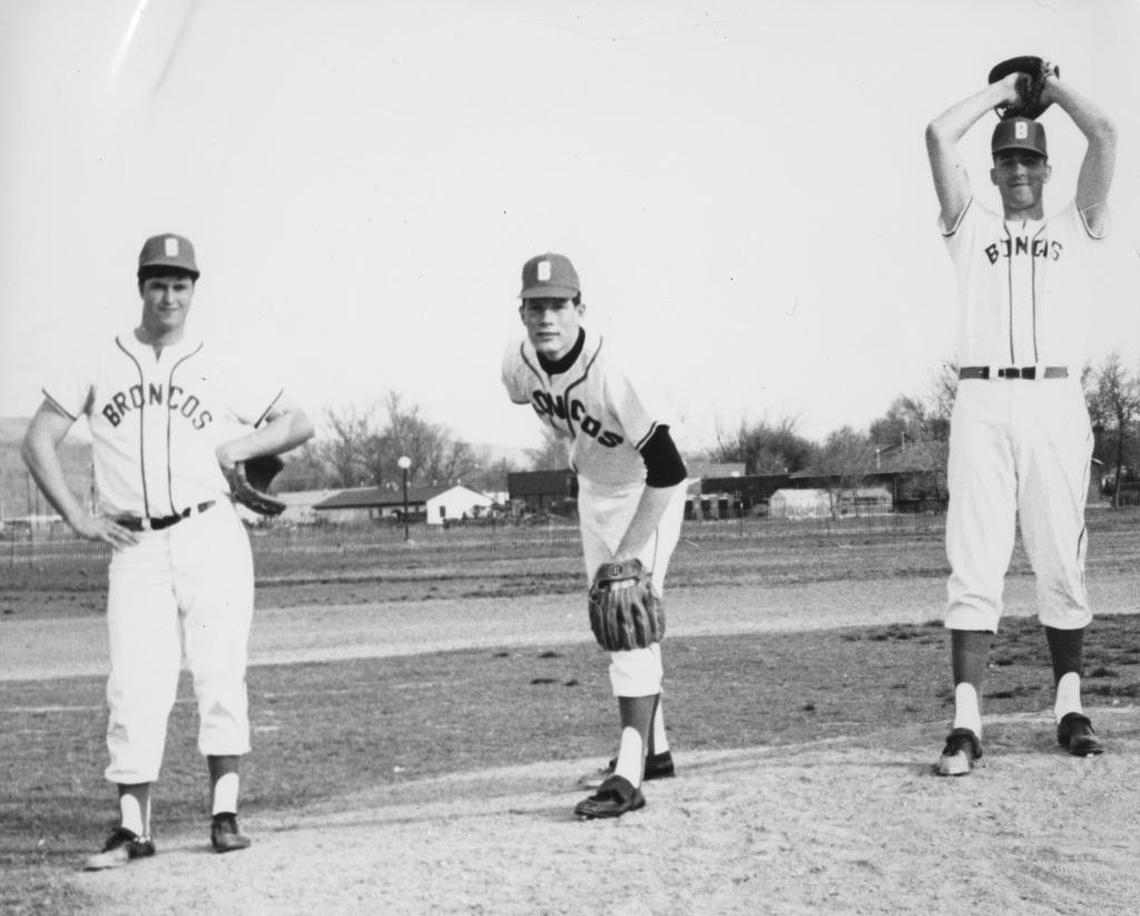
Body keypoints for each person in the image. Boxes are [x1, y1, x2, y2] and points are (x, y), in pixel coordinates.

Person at [22, 233, 315, 866]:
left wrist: (235, 450)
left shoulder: (219, 359)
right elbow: (39, 438)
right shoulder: (100, 359)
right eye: (159, 283)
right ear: (141, 287)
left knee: (218, 671)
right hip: (135, 541)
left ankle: (225, 814)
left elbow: (298, 421)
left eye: (181, 284)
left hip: (211, 531)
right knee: (134, 682)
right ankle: (133, 827)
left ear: (193, 290)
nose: (170, 296)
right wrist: (78, 516)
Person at [924, 65, 1117, 775]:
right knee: (974, 561)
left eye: (1030, 159)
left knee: (1060, 559)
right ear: (996, 168)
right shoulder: (970, 229)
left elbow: (1106, 133)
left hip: (1055, 403)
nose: (1019, 171)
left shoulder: (1077, 224)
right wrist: (1004, 97)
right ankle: (967, 722)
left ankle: (1069, 707)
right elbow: (939, 134)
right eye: (1008, 158)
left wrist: (1054, 89)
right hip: (980, 402)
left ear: (1046, 166)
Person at [501, 253, 689, 818]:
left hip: (644, 492)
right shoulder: (517, 363)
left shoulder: (614, 370)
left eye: (558, 305)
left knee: (627, 615)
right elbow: (525, 394)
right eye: (536, 307)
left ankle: (628, 777)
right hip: (593, 491)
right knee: (615, 628)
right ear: (522, 313)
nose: (547, 319)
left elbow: (670, 470)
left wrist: (628, 554)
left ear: (580, 309)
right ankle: (654, 750)